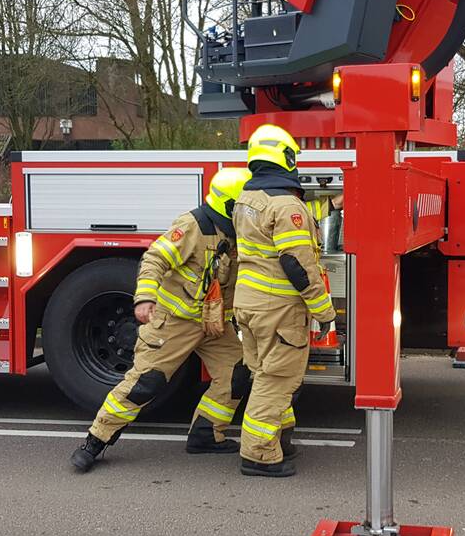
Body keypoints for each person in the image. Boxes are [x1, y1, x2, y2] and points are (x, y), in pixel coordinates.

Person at [70, 167, 254, 472]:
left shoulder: (234, 230)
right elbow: (155, 258)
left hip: (213, 323)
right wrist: (144, 297)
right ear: (230, 206)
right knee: (145, 383)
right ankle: (95, 442)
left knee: (237, 373)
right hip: (174, 323)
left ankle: (206, 434)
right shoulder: (192, 226)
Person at [232, 124, 337, 477]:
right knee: (276, 380)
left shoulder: (248, 200)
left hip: (249, 306)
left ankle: (281, 439)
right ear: (286, 157)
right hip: (277, 309)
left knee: (265, 374)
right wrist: (323, 310)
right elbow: (296, 263)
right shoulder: (286, 204)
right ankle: (259, 454)